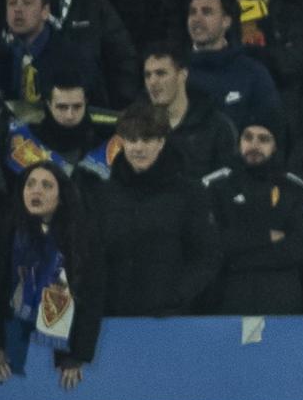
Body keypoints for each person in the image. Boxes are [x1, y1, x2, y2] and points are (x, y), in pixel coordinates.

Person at [79, 101, 220, 316]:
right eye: (132, 140)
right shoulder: (103, 195)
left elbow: (206, 257)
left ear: (161, 142)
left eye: (147, 139)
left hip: (169, 321)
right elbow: (89, 255)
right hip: (111, 319)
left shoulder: (189, 194)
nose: (138, 147)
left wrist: (177, 297)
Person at [0, 160, 103, 390]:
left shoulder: (80, 238)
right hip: (14, 337)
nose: (36, 190)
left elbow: (91, 298)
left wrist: (75, 355)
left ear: (61, 196)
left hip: (59, 347)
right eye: (30, 184)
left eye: (47, 185)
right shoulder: (8, 231)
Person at [202, 111, 303, 314]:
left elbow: (298, 249)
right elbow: (210, 243)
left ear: (276, 146)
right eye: (248, 137)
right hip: (225, 301)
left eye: (263, 139)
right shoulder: (216, 185)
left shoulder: (295, 189)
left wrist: (236, 257)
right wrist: (266, 236)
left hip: (281, 302)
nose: (254, 145)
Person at [185, 0, 282, 133]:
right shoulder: (174, 71)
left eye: (207, 12)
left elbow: (272, 130)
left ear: (226, 21)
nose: (197, 19)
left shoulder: (253, 73)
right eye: (192, 12)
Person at [143, 44, 238, 181]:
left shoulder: (217, 126)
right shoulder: (138, 127)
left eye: (161, 73)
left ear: (182, 75)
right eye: (147, 75)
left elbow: (229, 181)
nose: (152, 82)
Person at [5, 78, 118, 185]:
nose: (70, 115)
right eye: (62, 107)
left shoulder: (109, 134)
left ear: (85, 103)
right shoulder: (16, 137)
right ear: (49, 104)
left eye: (77, 106)